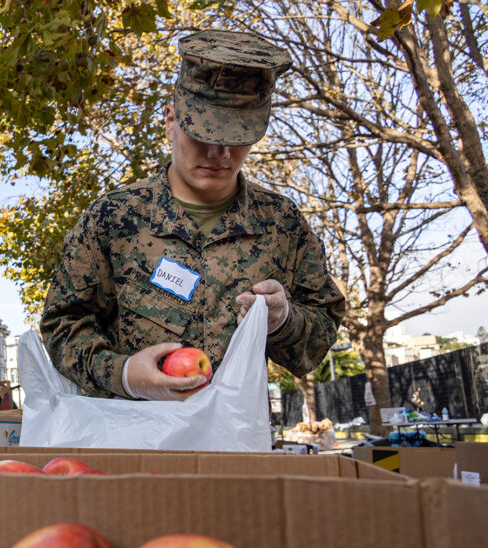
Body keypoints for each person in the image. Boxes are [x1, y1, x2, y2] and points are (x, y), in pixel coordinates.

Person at [39, 29, 346, 402]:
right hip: (135, 439)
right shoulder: (113, 218)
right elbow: (62, 325)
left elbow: (319, 337)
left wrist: (283, 321)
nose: (219, 152)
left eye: (235, 137)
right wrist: (122, 374)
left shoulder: (282, 224)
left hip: (235, 442)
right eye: (203, 133)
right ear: (171, 121)